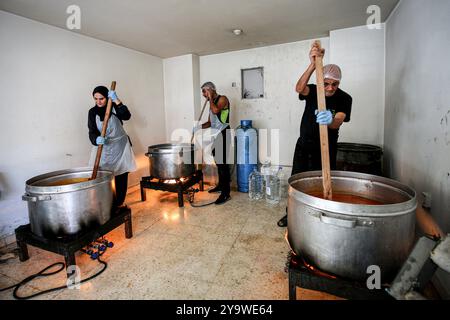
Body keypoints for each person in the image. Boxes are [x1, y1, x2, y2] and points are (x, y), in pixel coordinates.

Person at [277, 43, 352, 227]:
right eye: (326, 83)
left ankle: (316, 219)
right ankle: (292, 215)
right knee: (296, 183)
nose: (330, 88)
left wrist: (330, 119)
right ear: (321, 81)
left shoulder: (344, 98)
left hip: (325, 149)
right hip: (304, 145)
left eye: (335, 84)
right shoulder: (313, 90)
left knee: (322, 183)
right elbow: (298, 88)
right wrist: (312, 64)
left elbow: (339, 120)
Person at [88, 86, 137, 208]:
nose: (98, 102)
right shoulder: (92, 112)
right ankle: (105, 204)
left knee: (121, 176)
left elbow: (126, 116)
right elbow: (92, 131)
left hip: (120, 148)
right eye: (96, 99)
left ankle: (119, 204)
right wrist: (96, 139)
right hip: (103, 149)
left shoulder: (114, 107)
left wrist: (117, 100)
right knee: (103, 176)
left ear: (107, 97)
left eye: (102, 98)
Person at [199, 82, 232, 205]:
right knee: (218, 162)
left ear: (211, 90)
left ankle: (225, 194)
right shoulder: (211, 103)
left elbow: (216, 110)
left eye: (205, 91)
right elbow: (209, 122)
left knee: (223, 164)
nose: (204, 95)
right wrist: (198, 127)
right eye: (203, 92)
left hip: (223, 133)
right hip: (215, 134)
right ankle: (221, 186)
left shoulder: (222, 99)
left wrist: (211, 97)